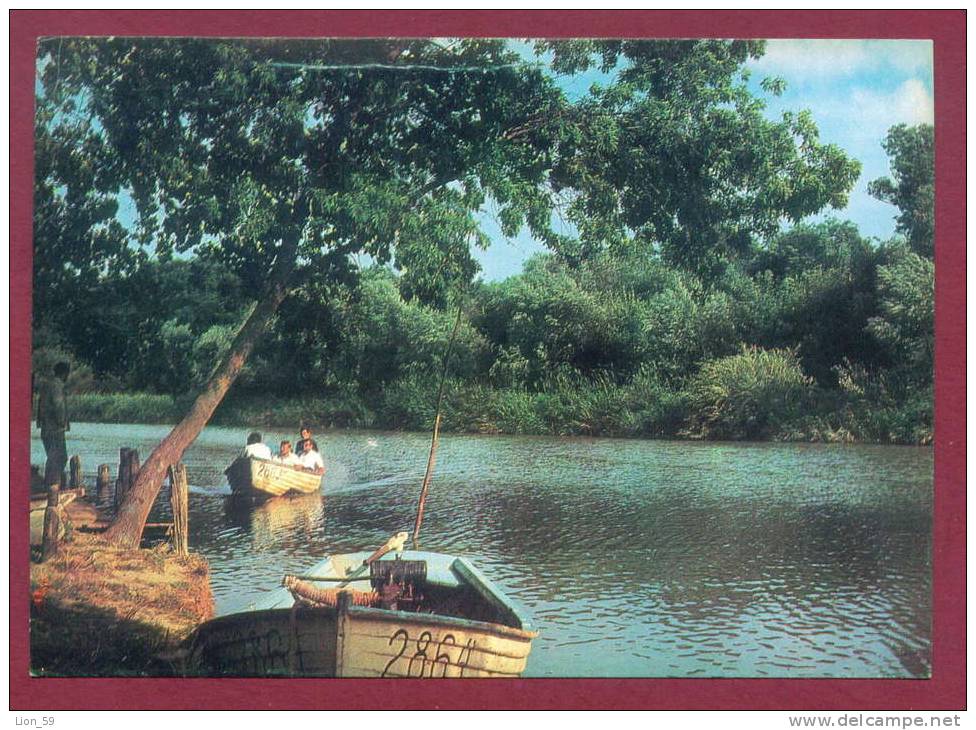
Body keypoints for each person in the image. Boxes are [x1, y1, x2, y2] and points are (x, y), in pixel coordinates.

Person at [36, 362, 70, 488]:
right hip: (55, 429)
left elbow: (40, 406)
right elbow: (58, 406)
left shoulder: (47, 385)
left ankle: (50, 486)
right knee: (60, 458)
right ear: (64, 373)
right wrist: (62, 423)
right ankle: (52, 487)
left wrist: (40, 422)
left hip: (46, 428)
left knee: (53, 458)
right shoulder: (56, 386)